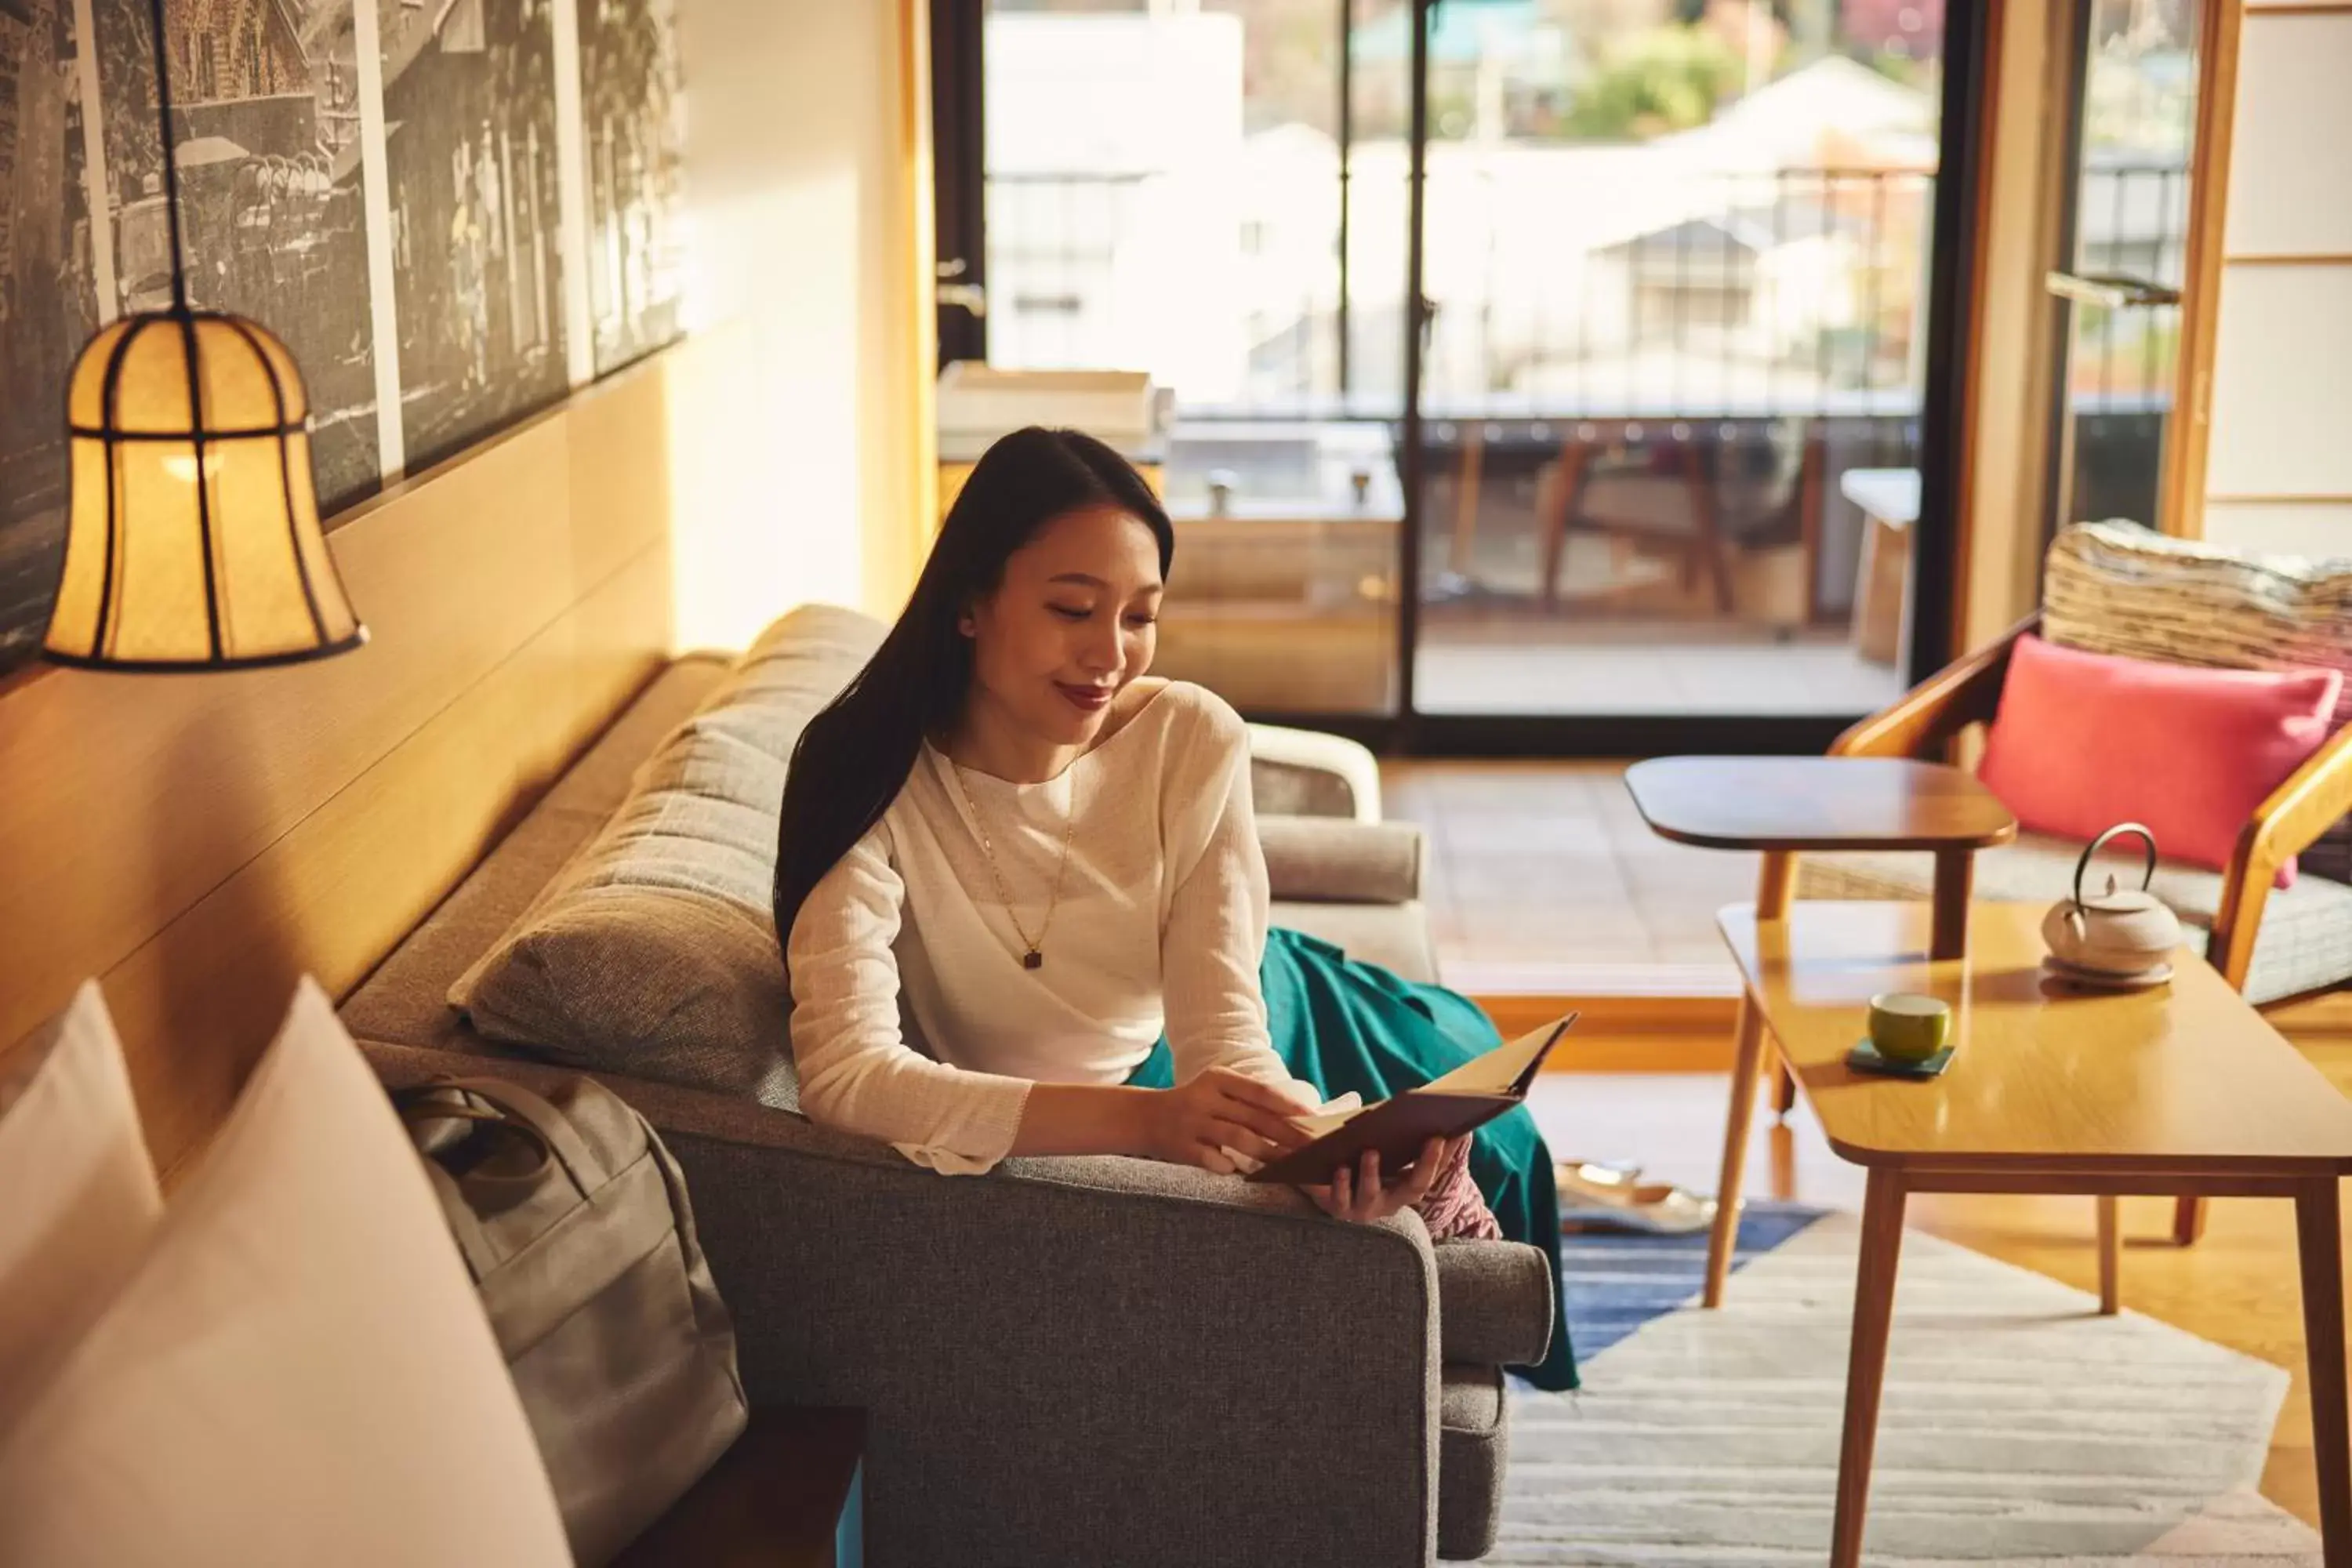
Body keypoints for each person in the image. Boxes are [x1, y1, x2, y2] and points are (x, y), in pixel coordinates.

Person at [775, 426, 1574, 1390]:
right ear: (970, 603)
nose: (1109, 654)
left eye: (1140, 616)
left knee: (1490, 1118)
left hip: (1237, 1003)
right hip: (1139, 1096)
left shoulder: (1187, 735)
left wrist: (1313, 1161)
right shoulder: (865, 776)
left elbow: (1227, 1041)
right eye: (1073, 607)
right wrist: (1148, 1124)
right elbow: (849, 1077)